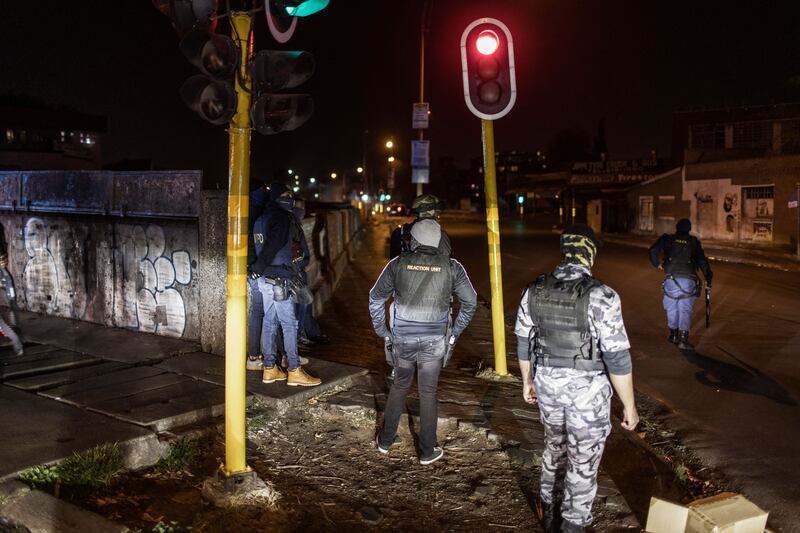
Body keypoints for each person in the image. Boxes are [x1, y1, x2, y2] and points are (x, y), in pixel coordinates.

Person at [515, 224, 639, 533]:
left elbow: (522, 340)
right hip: (587, 393)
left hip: (546, 385)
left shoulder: (534, 289)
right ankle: (572, 525)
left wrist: (526, 381)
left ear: (564, 252)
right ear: (589, 254)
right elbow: (617, 357)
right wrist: (629, 406)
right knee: (582, 461)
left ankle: (547, 508)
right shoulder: (602, 296)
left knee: (554, 446)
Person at [369, 219, 477, 465]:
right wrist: (454, 333)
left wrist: (382, 330)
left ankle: (386, 441)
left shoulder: (397, 264)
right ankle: (427, 451)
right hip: (434, 341)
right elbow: (470, 303)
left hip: (402, 339)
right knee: (428, 392)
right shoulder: (453, 267)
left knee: (399, 386)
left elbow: (375, 298)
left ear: (413, 240)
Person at [251, 182, 320, 387]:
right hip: (280, 278)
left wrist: (257, 268)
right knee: (290, 324)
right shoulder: (281, 218)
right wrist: (261, 266)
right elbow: (273, 246)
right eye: (285, 194)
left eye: (291, 194)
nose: (290, 198)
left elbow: (258, 247)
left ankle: (270, 368)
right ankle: (294, 369)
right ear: (276, 197)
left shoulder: (260, 219)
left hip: (264, 279)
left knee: (269, 322)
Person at [648, 218, 713, 351]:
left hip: (671, 280)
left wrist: (657, 264)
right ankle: (683, 340)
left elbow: (653, 250)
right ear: (689, 229)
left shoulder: (668, 239)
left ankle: (673, 335)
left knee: (671, 308)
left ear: (677, 228)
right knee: (685, 310)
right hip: (689, 282)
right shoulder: (693, 242)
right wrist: (708, 278)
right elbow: (702, 262)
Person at [388, 194, 452, 259]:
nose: (438, 216)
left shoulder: (400, 233)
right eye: (437, 213)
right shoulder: (442, 235)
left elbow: (393, 263)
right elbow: (449, 264)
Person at [0, 223, 23, 356]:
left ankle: (17, 341)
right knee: (12, 304)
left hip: (3, 274)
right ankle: (17, 340)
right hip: (4, 274)